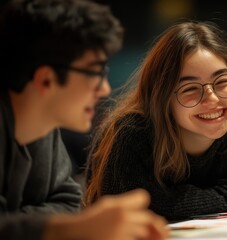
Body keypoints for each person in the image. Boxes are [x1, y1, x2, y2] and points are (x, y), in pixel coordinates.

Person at [0, 0, 167, 239]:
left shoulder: (43, 126)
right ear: (46, 80)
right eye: (95, 73)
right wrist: (67, 228)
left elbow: (68, 202)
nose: (105, 89)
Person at [84, 20, 227, 221]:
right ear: (162, 98)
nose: (212, 99)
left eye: (222, 81)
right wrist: (221, 197)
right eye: (190, 89)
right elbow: (125, 212)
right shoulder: (131, 132)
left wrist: (162, 200)